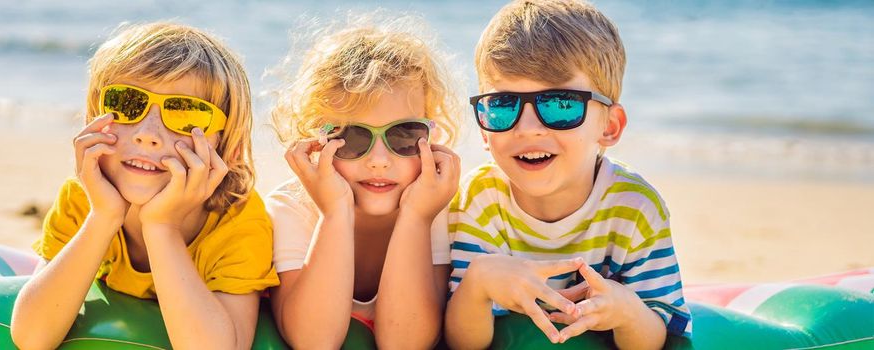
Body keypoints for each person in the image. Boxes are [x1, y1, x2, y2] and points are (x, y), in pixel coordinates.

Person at [10, 22, 278, 350]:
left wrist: (161, 226)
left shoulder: (238, 223)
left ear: (227, 148)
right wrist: (104, 218)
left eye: (187, 114)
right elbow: (32, 337)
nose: (147, 133)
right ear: (92, 121)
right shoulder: (84, 200)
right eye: (126, 103)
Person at [444, 1, 692, 348]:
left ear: (610, 126)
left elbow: (662, 337)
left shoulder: (635, 208)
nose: (528, 129)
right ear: (484, 132)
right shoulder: (478, 201)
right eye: (502, 105)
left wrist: (629, 313)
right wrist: (477, 285)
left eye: (560, 104)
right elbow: (462, 343)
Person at [265, 12, 462, 348]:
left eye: (404, 135)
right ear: (314, 141)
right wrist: (334, 213)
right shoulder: (291, 209)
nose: (379, 161)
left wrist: (416, 218)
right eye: (353, 139)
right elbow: (314, 341)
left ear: (431, 136)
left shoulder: (434, 207)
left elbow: (405, 343)